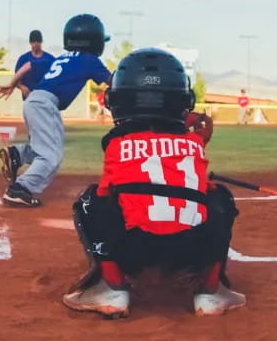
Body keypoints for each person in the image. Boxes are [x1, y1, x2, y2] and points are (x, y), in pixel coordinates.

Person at [61, 48, 245, 318]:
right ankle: (210, 293)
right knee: (220, 197)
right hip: (190, 251)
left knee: (92, 200)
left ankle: (112, 289)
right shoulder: (195, 145)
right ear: (183, 101)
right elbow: (176, 150)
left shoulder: (115, 144)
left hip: (134, 253)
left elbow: (111, 189)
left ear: (118, 101)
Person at [0, 14, 112, 208]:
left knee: (42, 146)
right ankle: (19, 189)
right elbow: (113, 81)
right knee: (51, 156)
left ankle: (17, 155)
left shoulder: (62, 58)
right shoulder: (90, 59)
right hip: (45, 104)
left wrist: (12, 84)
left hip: (33, 100)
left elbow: (28, 66)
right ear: (93, 41)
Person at [13, 30, 56, 100]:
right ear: (30, 42)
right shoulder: (23, 59)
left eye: (38, 41)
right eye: (33, 41)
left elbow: (56, 78)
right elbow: (16, 78)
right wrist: (21, 87)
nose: (36, 43)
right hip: (29, 97)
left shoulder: (50, 59)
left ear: (41, 42)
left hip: (45, 97)